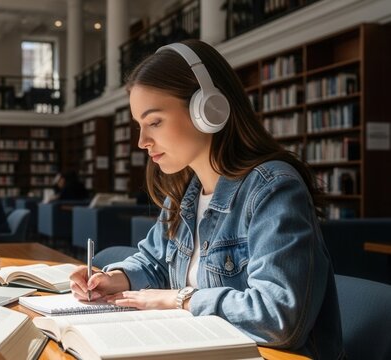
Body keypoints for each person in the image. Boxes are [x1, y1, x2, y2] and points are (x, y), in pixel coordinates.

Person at [69, 40, 343, 359]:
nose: (142, 141)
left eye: (154, 122)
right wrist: (115, 279)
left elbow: (278, 317)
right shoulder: (185, 192)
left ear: (208, 109)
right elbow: (155, 262)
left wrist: (180, 299)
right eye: (139, 126)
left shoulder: (273, 189)